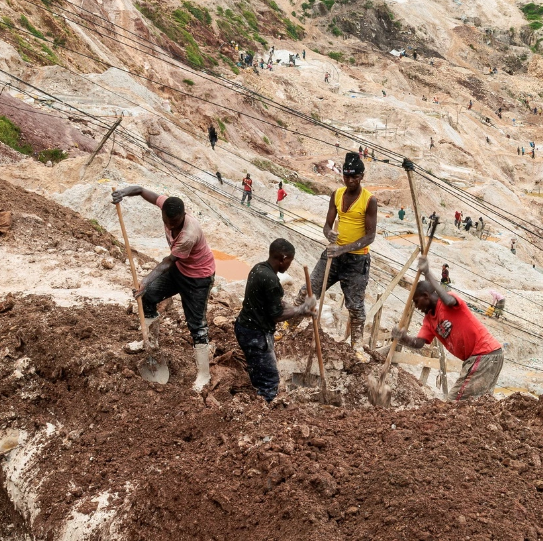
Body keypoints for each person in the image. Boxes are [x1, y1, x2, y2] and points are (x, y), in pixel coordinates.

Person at [111, 185, 218, 390]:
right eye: (167, 222)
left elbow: (168, 262)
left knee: (196, 325)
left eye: (175, 223)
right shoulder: (168, 207)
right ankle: (150, 343)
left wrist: (145, 280)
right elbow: (141, 190)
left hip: (198, 278)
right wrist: (123, 193)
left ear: (183, 216)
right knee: (148, 296)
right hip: (180, 268)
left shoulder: (189, 234)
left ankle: (204, 375)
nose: (171, 226)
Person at [384, 257, 506, 401]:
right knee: (479, 403)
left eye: (416, 301)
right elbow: (419, 343)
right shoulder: (429, 320)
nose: (416, 306)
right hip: (485, 356)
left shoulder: (448, 300)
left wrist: (427, 272)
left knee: (454, 403)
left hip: (483, 353)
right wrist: (403, 338)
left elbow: (448, 300)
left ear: (426, 296)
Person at [234, 238, 315, 402]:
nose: (290, 265)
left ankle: (256, 386)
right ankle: (264, 407)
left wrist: (300, 310)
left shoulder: (258, 269)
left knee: (258, 367)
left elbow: (275, 303)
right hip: (256, 335)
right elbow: (276, 315)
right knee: (270, 380)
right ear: (283, 259)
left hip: (244, 327)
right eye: (290, 261)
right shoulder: (271, 280)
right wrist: (301, 310)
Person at [311, 151, 378, 343]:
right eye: (347, 176)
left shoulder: (369, 200)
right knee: (309, 291)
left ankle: (357, 346)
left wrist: (344, 249)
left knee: (355, 306)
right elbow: (327, 225)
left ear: (361, 176)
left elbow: (370, 236)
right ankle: (288, 328)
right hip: (333, 255)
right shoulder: (337, 194)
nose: (350, 181)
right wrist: (328, 233)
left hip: (357, 260)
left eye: (354, 177)